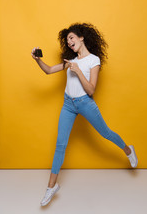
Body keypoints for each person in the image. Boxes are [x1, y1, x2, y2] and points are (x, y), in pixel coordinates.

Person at [31, 22, 138, 206]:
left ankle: (128, 150)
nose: (69, 42)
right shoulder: (69, 61)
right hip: (68, 104)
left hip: (85, 104)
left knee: (106, 133)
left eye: (72, 37)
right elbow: (49, 70)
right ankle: (51, 187)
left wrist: (78, 71)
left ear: (81, 37)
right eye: (67, 40)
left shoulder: (93, 60)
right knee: (60, 144)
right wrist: (37, 60)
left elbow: (91, 90)